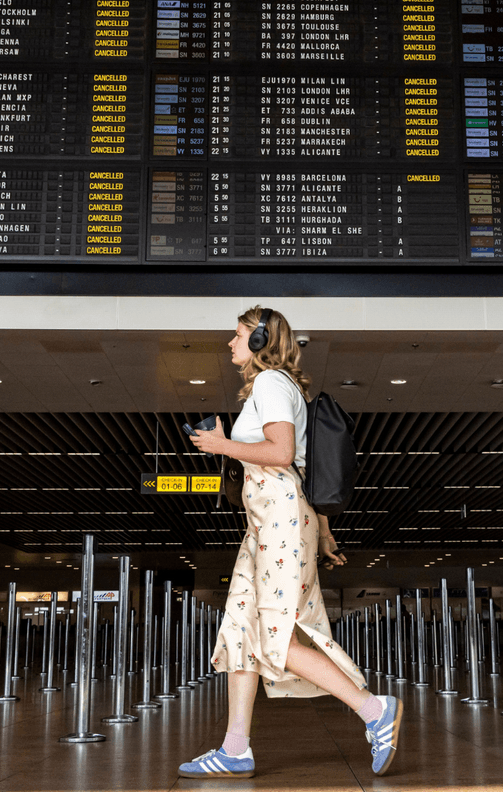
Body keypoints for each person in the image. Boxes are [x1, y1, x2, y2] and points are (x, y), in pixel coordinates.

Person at [179, 306, 403, 779]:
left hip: (278, 517)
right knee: (242, 630)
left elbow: (281, 453)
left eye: (237, 335)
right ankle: (235, 748)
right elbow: (302, 462)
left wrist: (222, 446)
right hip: (266, 523)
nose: (230, 343)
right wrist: (323, 531)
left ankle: (374, 709)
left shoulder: (270, 384)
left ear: (260, 340)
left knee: (275, 637)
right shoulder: (274, 388)